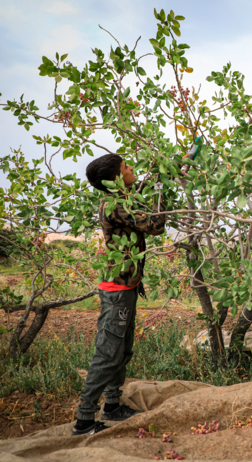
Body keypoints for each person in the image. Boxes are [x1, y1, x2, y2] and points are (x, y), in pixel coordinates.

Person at [72, 154, 166, 435]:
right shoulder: (115, 206)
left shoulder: (121, 197)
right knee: (108, 354)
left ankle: (112, 405)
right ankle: (84, 419)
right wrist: (161, 194)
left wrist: (176, 166)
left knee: (122, 351)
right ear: (115, 180)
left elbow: (143, 187)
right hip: (117, 292)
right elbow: (156, 225)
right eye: (126, 167)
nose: (132, 168)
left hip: (125, 287)